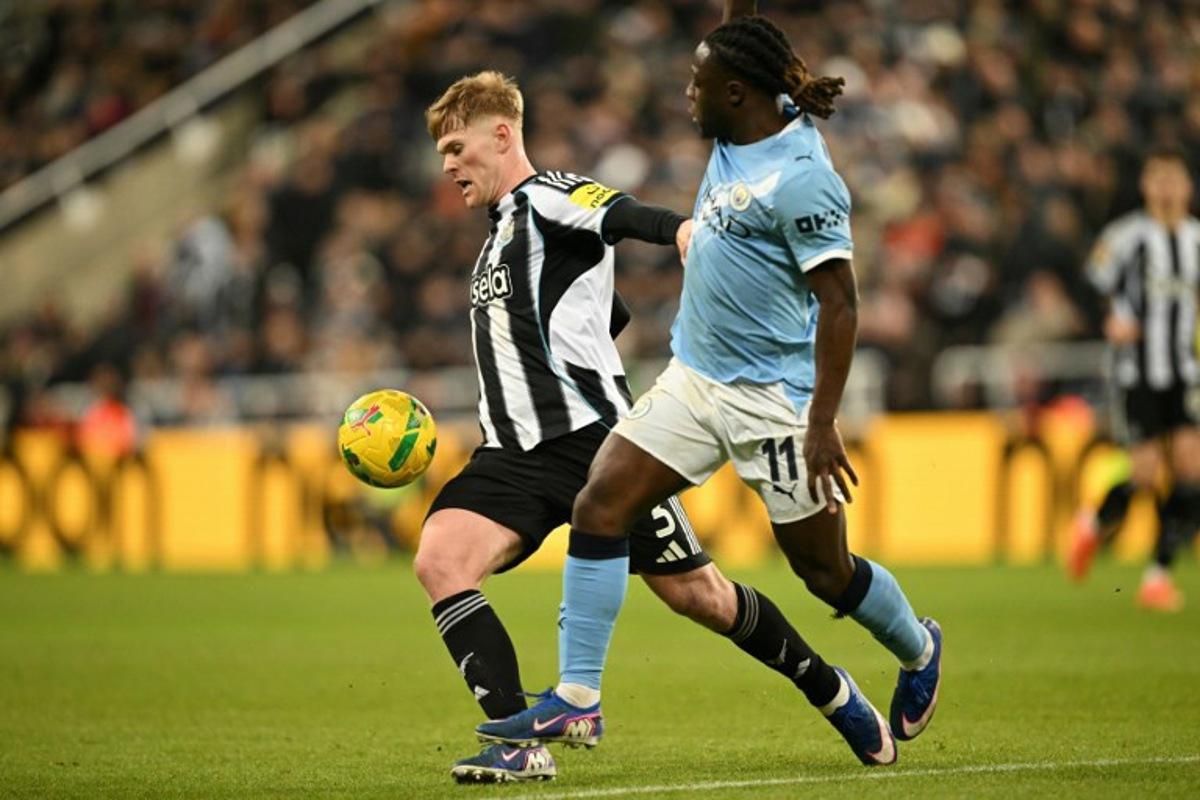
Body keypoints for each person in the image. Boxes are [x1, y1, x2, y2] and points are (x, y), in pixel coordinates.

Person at [477, 6, 942, 768]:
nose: (686, 94)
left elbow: (842, 304)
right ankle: (578, 700)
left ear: (736, 94)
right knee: (600, 503)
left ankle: (918, 646)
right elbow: (741, 21)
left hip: (776, 404)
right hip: (694, 380)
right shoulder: (737, 125)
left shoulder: (802, 179)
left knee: (826, 574)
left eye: (698, 83)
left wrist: (823, 424)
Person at [1068, 147, 1200, 611]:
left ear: (1187, 186)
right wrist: (1110, 320)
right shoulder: (1125, 237)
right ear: (1146, 185)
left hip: (1185, 373)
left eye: (1174, 178)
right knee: (1145, 475)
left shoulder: (1196, 240)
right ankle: (1092, 520)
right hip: (1137, 372)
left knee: (1191, 473)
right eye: (1157, 177)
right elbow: (1090, 284)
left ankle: (1157, 577)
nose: (1166, 187)